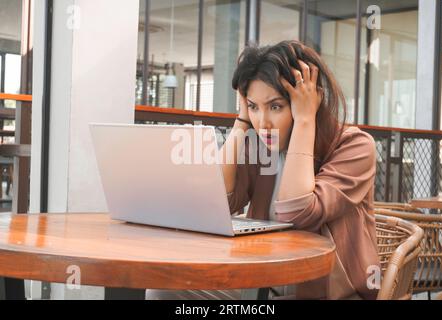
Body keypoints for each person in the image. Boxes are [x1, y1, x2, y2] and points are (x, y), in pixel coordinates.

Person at [147, 40, 380, 300]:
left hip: (325, 292)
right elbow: (218, 204)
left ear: (309, 100)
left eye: (276, 106)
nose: (263, 122)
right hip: (262, 282)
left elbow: (299, 210)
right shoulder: (262, 144)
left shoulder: (355, 146)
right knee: (163, 291)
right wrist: (240, 124)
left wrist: (305, 120)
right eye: (254, 107)